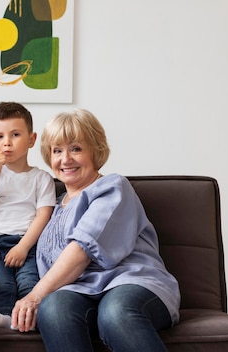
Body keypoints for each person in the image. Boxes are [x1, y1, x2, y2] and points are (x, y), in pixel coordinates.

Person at [11, 109, 180, 352]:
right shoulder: (52, 208)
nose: (65, 159)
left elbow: (82, 250)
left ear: (95, 150)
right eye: (57, 150)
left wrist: (35, 296)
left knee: (115, 313)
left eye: (76, 148)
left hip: (130, 282)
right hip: (77, 292)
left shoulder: (112, 187)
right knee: (54, 309)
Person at [0, 102, 55, 328]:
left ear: (31, 139)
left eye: (15, 134)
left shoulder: (41, 178)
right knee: (3, 286)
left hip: (28, 245)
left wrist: (23, 247)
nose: (6, 142)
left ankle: (31, 319)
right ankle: (4, 317)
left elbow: (43, 215)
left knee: (29, 283)